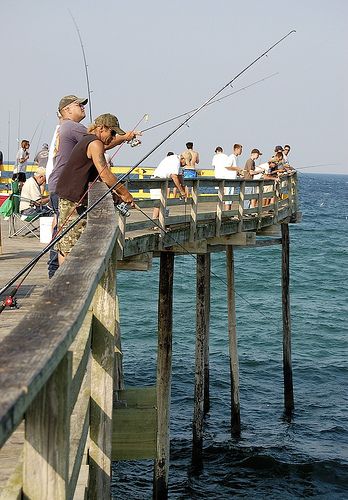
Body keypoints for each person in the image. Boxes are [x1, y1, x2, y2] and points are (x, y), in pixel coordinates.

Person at [47, 94, 140, 277]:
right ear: (102, 128)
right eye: (112, 132)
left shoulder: (89, 139)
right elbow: (105, 173)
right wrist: (124, 193)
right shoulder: (94, 143)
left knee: (69, 241)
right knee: (67, 244)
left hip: (72, 196)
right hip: (70, 197)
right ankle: (65, 281)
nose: (112, 137)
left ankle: (66, 278)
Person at [151, 152, 186, 220]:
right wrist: (181, 191)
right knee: (158, 203)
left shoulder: (175, 159)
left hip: (161, 181)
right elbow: (174, 176)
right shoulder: (176, 161)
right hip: (157, 180)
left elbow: (179, 176)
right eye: (186, 162)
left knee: (162, 203)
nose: (186, 164)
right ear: (183, 159)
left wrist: (183, 186)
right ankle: (155, 223)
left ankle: (160, 223)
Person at [223, 144, 243, 210]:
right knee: (228, 197)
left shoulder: (236, 158)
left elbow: (233, 168)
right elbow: (227, 167)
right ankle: (227, 212)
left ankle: (229, 212)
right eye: (240, 149)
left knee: (231, 197)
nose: (241, 151)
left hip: (233, 179)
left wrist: (238, 173)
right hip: (229, 180)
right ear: (236, 149)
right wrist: (236, 168)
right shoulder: (231, 157)